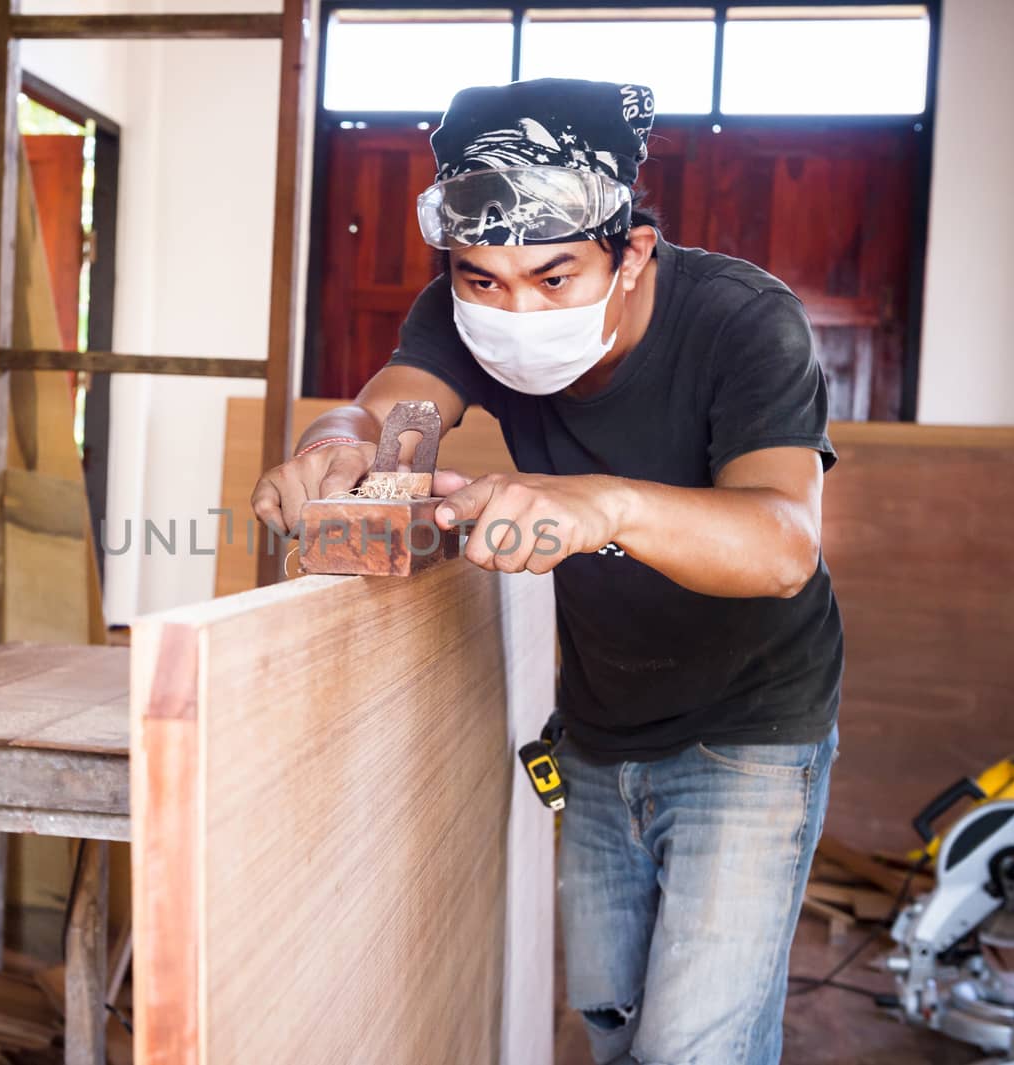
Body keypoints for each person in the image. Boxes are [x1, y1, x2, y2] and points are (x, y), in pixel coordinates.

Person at [251, 78, 843, 1064]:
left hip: (751, 728)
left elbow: (782, 546)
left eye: (555, 278)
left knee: (694, 1049)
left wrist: (598, 502)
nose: (514, 308)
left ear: (632, 250)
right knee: (610, 1022)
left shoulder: (742, 322)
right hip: (599, 727)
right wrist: (336, 443)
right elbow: (393, 414)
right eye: (481, 279)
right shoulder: (461, 315)